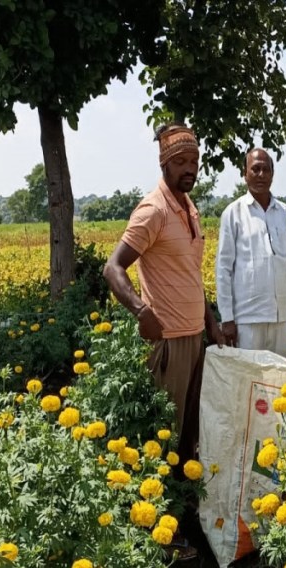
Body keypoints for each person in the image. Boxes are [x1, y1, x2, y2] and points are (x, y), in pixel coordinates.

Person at [103, 123, 225, 465]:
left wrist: (211, 324)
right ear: (164, 164)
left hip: (195, 336)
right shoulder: (153, 210)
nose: (190, 169)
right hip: (168, 340)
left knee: (191, 433)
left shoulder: (189, 208)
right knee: (166, 435)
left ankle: (186, 511)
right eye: (181, 161)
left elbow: (191, 275)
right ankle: (164, 509)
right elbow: (113, 268)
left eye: (194, 161)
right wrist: (142, 312)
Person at [216, 148, 286, 358]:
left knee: (281, 383)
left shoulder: (284, 212)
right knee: (248, 384)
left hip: (281, 319)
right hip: (247, 320)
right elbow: (223, 269)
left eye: (266, 169)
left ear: (273, 174)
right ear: (245, 173)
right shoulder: (233, 213)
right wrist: (227, 318)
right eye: (255, 169)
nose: (261, 175)